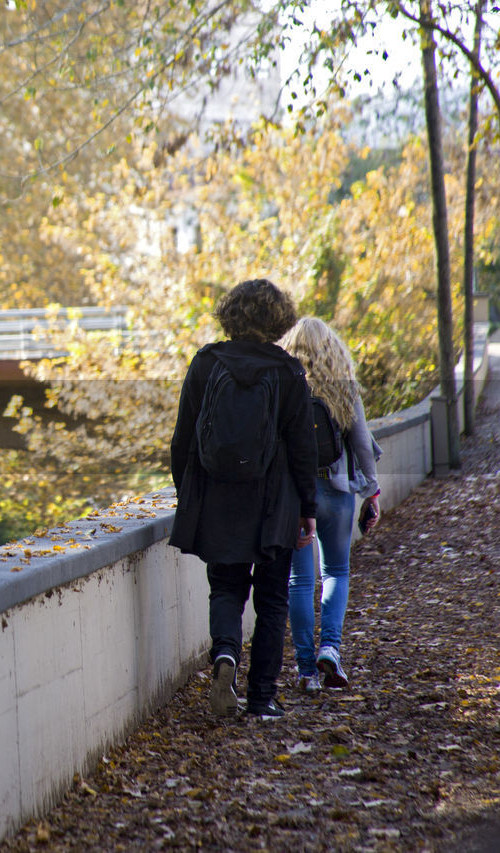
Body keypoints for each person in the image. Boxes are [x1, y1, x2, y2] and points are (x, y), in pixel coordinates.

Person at [169, 279, 318, 720]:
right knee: (271, 599)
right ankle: (261, 698)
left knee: (226, 587)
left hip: (219, 500)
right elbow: (301, 450)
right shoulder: (288, 372)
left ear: (231, 314)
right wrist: (307, 510)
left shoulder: (205, 364)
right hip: (275, 505)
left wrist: (190, 496)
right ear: (279, 319)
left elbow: (182, 442)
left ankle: (226, 658)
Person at [279, 317, 381, 692]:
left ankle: (306, 671)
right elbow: (361, 441)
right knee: (336, 571)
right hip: (337, 492)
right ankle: (330, 649)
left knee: (300, 580)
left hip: (295, 495)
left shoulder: (284, 385)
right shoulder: (343, 385)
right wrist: (372, 492)